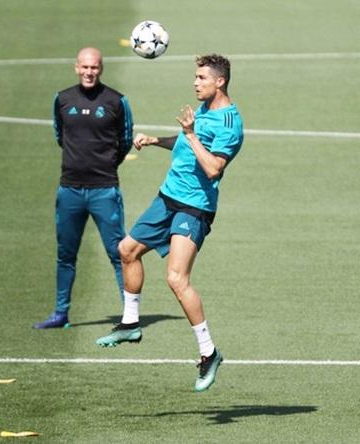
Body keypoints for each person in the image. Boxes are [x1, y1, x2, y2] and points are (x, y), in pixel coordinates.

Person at [95, 54, 244, 392]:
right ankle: (130, 323)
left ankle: (209, 353)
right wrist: (156, 140)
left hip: (195, 208)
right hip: (168, 198)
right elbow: (185, 146)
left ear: (220, 81)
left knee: (177, 279)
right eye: (195, 77)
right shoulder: (205, 108)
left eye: (202, 78)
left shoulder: (231, 124)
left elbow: (213, 168)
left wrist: (190, 134)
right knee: (127, 250)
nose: (195, 83)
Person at [33, 47, 134, 329]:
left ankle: (130, 315)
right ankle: (60, 313)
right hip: (70, 191)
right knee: (66, 254)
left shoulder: (116, 101)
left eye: (95, 68)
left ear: (101, 69)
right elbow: (59, 134)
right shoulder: (63, 99)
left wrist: (106, 164)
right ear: (76, 68)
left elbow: (125, 139)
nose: (89, 72)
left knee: (118, 253)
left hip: (104, 189)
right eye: (85, 67)